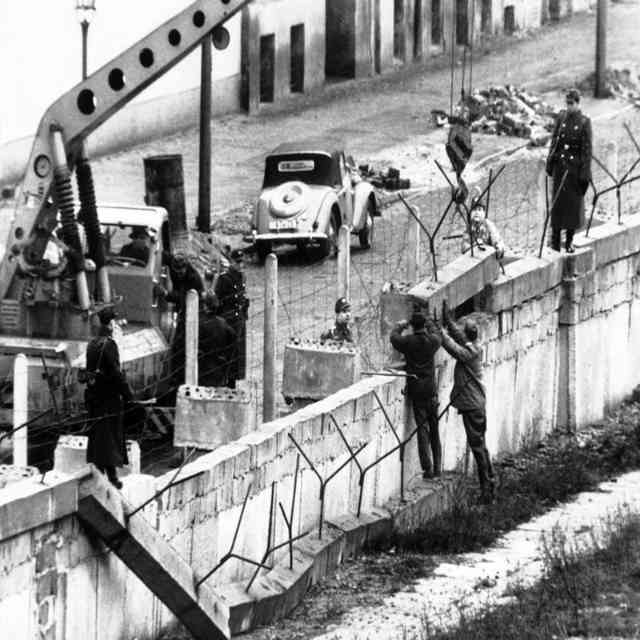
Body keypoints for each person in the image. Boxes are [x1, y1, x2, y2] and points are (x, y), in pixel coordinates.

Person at [441, 309, 495, 503]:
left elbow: (452, 347)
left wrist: (439, 332)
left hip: (473, 406)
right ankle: (490, 482)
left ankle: (487, 491)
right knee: (481, 446)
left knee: (478, 447)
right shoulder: (474, 346)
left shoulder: (470, 352)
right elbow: (459, 338)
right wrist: (448, 321)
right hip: (476, 404)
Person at [84, 307, 133, 489]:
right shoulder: (110, 345)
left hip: (95, 397)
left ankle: (104, 474)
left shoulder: (92, 343)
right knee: (110, 437)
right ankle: (111, 477)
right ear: (111, 324)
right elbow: (115, 373)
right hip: (109, 398)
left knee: (99, 437)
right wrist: (128, 395)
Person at [390, 311, 443, 479]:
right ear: (424, 326)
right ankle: (438, 468)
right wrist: (430, 322)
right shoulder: (432, 341)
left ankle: (427, 468)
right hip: (430, 390)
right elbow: (438, 334)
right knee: (434, 429)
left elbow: (393, 337)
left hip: (416, 390)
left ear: (412, 326)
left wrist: (401, 325)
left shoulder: (408, 342)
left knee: (422, 429)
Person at [546, 88, 592, 253]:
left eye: (571, 103)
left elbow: (587, 153)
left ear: (578, 103)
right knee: (558, 206)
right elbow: (554, 141)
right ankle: (555, 241)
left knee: (572, 207)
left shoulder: (585, 122)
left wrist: (584, 176)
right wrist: (550, 162)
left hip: (574, 171)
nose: (569, 106)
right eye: (567, 103)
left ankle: (570, 241)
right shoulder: (561, 117)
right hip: (560, 168)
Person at [215, 249, 250, 388]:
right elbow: (218, 301)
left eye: (242, 262)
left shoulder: (243, 277)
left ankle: (233, 382)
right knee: (227, 354)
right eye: (237, 262)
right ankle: (225, 382)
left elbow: (243, 298)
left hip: (239, 321)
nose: (240, 265)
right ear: (231, 262)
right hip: (228, 321)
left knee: (238, 355)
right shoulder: (224, 279)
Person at [198, 291, 237, 388]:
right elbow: (233, 339)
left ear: (205, 306)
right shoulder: (223, 323)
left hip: (203, 369)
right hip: (220, 367)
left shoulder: (200, 324)